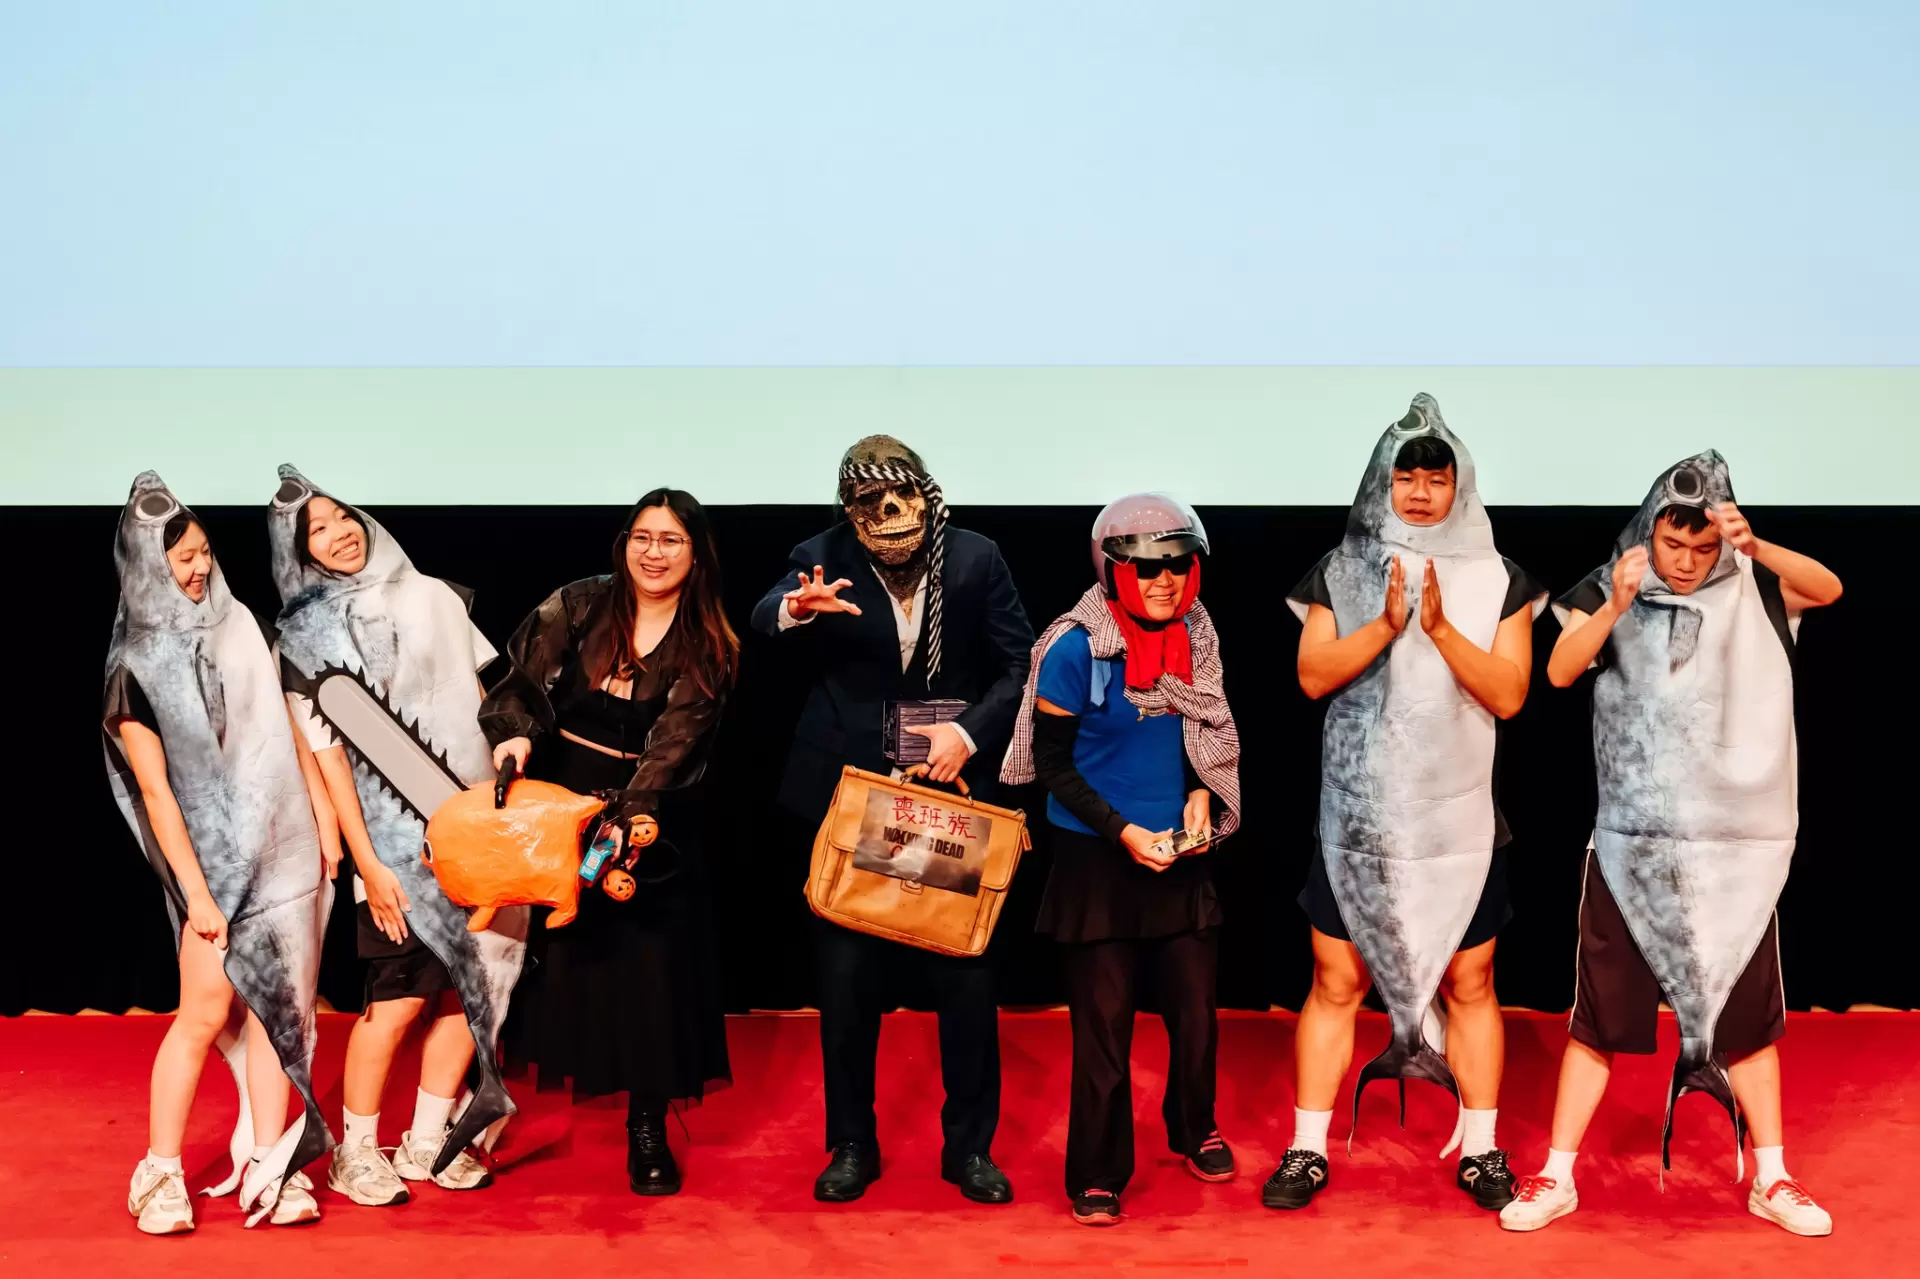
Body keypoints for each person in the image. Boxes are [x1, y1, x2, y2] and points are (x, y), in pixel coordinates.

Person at [1501, 452, 1842, 1237]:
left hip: (1733, 856)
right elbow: (1559, 671)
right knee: (1597, 1019)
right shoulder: (1612, 582)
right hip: (1632, 851)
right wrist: (1617, 604)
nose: (1686, 562)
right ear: (1649, 531)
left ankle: (1773, 1176)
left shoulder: (1755, 584)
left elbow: (1827, 588)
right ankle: (1557, 1173)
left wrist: (1753, 547)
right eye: (1673, 544)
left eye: (1702, 547)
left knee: (1747, 1020)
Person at [1274, 395, 1543, 1213]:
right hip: (1358, 820)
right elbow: (1312, 675)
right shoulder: (1340, 568)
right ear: (1380, 483)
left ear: (1461, 486)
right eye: (1405, 477)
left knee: (1471, 978)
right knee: (1335, 978)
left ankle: (1483, 1147)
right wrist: (1387, 626)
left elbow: (1511, 693)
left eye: (1437, 478)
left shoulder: (1501, 577)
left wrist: (1442, 629)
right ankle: (1307, 1147)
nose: (1421, 492)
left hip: (1457, 821)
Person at [750, 435, 1035, 1205]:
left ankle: (969, 1147)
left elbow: (1020, 663)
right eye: (870, 503)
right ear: (850, 510)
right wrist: (793, 609)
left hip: (948, 792)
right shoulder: (822, 555)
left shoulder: (975, 557)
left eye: (902, 498)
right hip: (853, 794)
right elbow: (764, 613)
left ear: (926, 495)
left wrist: (969, 731)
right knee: (846, 982)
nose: (889, 514)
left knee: (965, 977)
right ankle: (851, 1143)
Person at [269, 466, 526, 1207]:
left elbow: (484, 697)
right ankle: (354, 1150)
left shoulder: (435, 596)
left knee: (473, 993)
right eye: (316, 530)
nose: (338, 533)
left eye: (341, 516)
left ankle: (429, 1139)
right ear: (298, 552)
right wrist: (369, 864)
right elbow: (329, 763)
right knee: (399, 1001)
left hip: (478, 828)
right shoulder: (304, 639)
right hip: (394, 847)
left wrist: (505, 772)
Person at [483, 489, 737, 1197]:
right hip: (558, 801)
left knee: (651, 976)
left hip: (650, 817)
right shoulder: (578, 603)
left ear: (696, 555)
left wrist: (628, 818)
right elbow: (519, 684)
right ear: (625, 543)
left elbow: (675, 745)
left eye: (672, 540)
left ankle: (647, 1126)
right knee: (555, 965)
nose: (654, 553)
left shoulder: (710, 640)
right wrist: (513, 738)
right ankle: (494, 1110)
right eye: (642, 537)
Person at [1001, 493, 1243, 1227]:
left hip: (1178, 853)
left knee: (1196, 1017)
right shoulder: (1075, 648)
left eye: (1178, 564)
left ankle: (1193, 1125)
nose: (1165, 580)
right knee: (1104, 1030)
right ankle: (1098, 1170)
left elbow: (1203, 734)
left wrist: (1201, 793)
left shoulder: (1198, 633)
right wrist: (1122, 832)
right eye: (1146, 567)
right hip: (1099, 860)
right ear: (1112, 571)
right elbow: (1051, 765)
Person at [103, 473, 333, 1233]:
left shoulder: (243, 627)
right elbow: (156, 795)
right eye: (182, 558)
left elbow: (293, 734)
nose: (199, 567)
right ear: (146, 566)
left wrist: (324, 824)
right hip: (209, 868)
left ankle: (270, 1157)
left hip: (282, 850)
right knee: (203, 1011)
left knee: (278, 1015)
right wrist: (198, 896)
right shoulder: (133, 664)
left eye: (204, 551)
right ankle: (159, 1171)